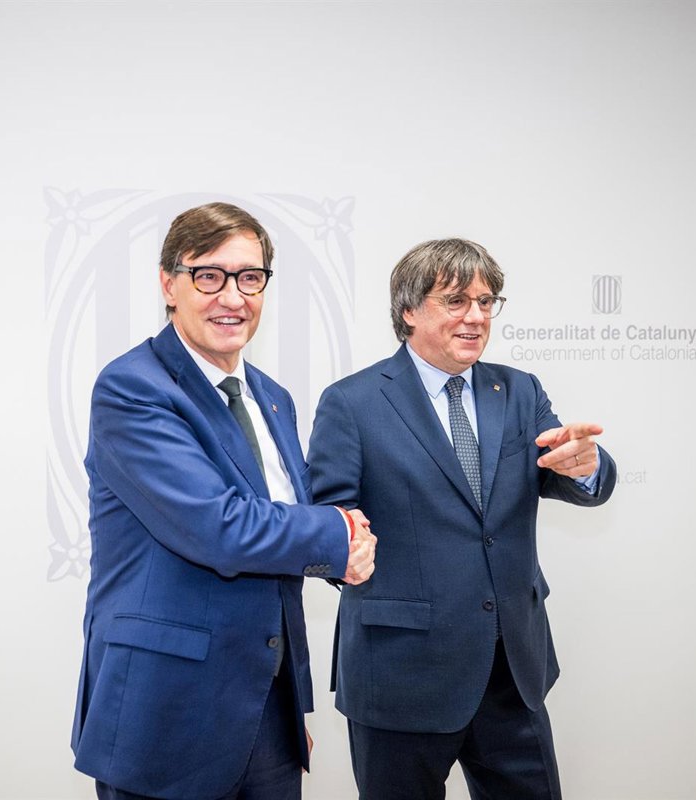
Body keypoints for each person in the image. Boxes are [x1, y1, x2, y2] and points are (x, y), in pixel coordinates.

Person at [71, 202, 377, 800]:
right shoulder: (133, 388)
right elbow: (218, 526)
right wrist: (338, 536)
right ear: (169, 284)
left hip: (266, 712)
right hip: (165, 713)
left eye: (249, 277)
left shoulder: (272, 396)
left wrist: (288, 712)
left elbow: (287, 522)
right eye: (208, 276)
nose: (232, 297)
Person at [307, 238, 617, 799]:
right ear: (409, 309)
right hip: (401, 672)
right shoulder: (352, 402)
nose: (476, 316)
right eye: (456, 301)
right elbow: (330, 516)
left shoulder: (519, 390)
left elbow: (562, 468)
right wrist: (343, 547)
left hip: (511, 669)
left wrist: (586, 466)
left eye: (486, 301)